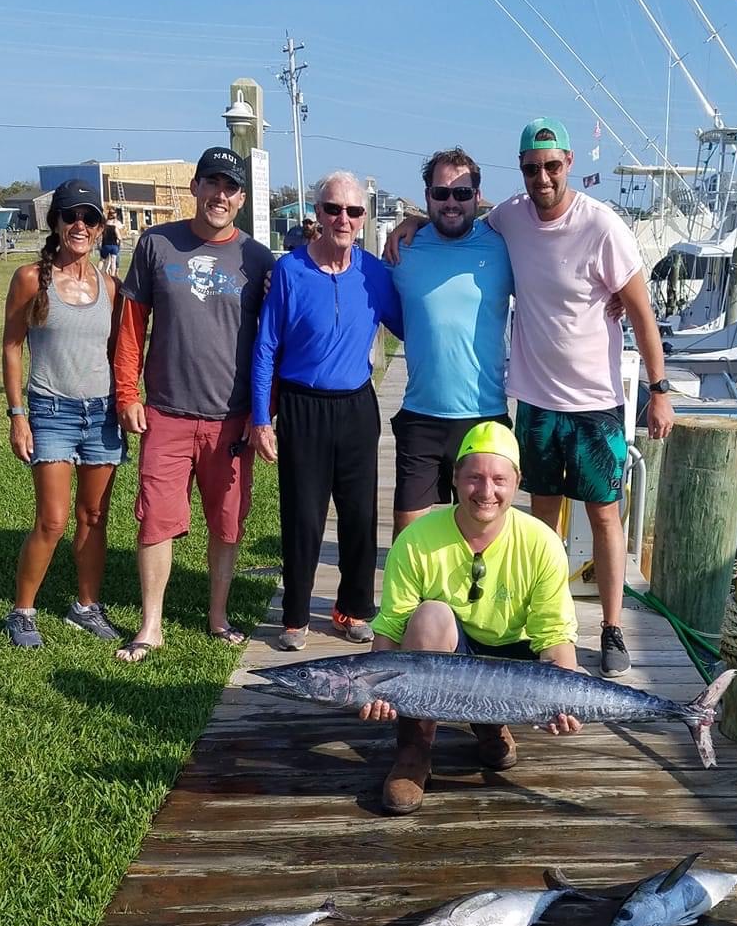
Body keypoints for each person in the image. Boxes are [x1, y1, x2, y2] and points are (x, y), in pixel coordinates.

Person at [388, 117, 674, 679]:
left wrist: (659, 391)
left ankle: (612, 627)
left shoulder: (602, 224)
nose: (542, 177)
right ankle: (548, 625)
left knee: (606, 516)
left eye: (551, 166)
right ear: (519, 174)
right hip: (535, 401)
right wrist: (415, 218)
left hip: (595, 402)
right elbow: (456, 213)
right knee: (540, 525)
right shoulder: (509, 220)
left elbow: (640, 311)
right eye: (530, 168)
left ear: (568, 163)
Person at [364, 419, 580, 815]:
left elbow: (554, 634)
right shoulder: (416, 539)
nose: (486, 491)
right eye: (474, 478)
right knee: (430, 616)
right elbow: (392, 625)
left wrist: (566, 699)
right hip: (449, 650)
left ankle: (491, 723)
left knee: (537, 671)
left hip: (513, 658)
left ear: (517, 481)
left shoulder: (543, 542)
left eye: (499, 479)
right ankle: (415, 747)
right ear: (456, 478)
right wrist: (377, 686)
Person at [112, 146, 275, 663]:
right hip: (166, 412)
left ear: (241, 198)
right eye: (212, 183)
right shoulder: (157, 244)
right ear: (196, 187)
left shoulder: (258, 258)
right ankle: (151, 625)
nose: (220, 195)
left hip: (231, 418)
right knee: (156, 519)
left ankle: (218, 615)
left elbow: (271, 342)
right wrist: (127, 392)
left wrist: (260, 412)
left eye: (230, 187)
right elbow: (131, 326)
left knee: (227, 523)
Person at [250, 170, 404, 653]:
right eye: (332, 209)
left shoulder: (374, 273)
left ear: (363, 218)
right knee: (303, 516)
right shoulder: (291, 271)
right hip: (302, 407)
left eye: (353, 211)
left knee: (360, 517)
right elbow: (264, 348)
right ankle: (295, 614)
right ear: (316, 214)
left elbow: (413, 325)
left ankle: (353, 608)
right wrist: (259, 418)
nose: (343, 218)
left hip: (357, 407)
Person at [2, 180, 124, 648]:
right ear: (55, 221)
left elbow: (117, 353)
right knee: (52, 520)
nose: (80, 225)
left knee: (93, 516)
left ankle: (85, 607)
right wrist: (17, 414)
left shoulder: (109, 285)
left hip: (102, 414)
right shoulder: (32, 278)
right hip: (50, 411)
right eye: (71, 215)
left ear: (99, 228)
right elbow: (12, 347)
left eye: (90, 218)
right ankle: (22, 612)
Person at [389, 147, 513, 539]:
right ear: (427, 196)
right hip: (420, 414)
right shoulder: (403, 247)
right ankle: (408, 604)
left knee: (483, 532)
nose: (451, 202)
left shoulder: (503, 245)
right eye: (441, 193)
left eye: (462, 193)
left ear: (478, 196)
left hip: (485, 415)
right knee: (408, 534)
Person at [99, 210, 123, 277]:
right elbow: (119, 237)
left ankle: (99, 273)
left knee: (102, 260)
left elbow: (99, 236)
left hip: (105, 245)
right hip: (114, 246)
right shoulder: (114, 227)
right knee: (113, 261)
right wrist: (119, 244)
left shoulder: (104, 227)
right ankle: (112, 276)